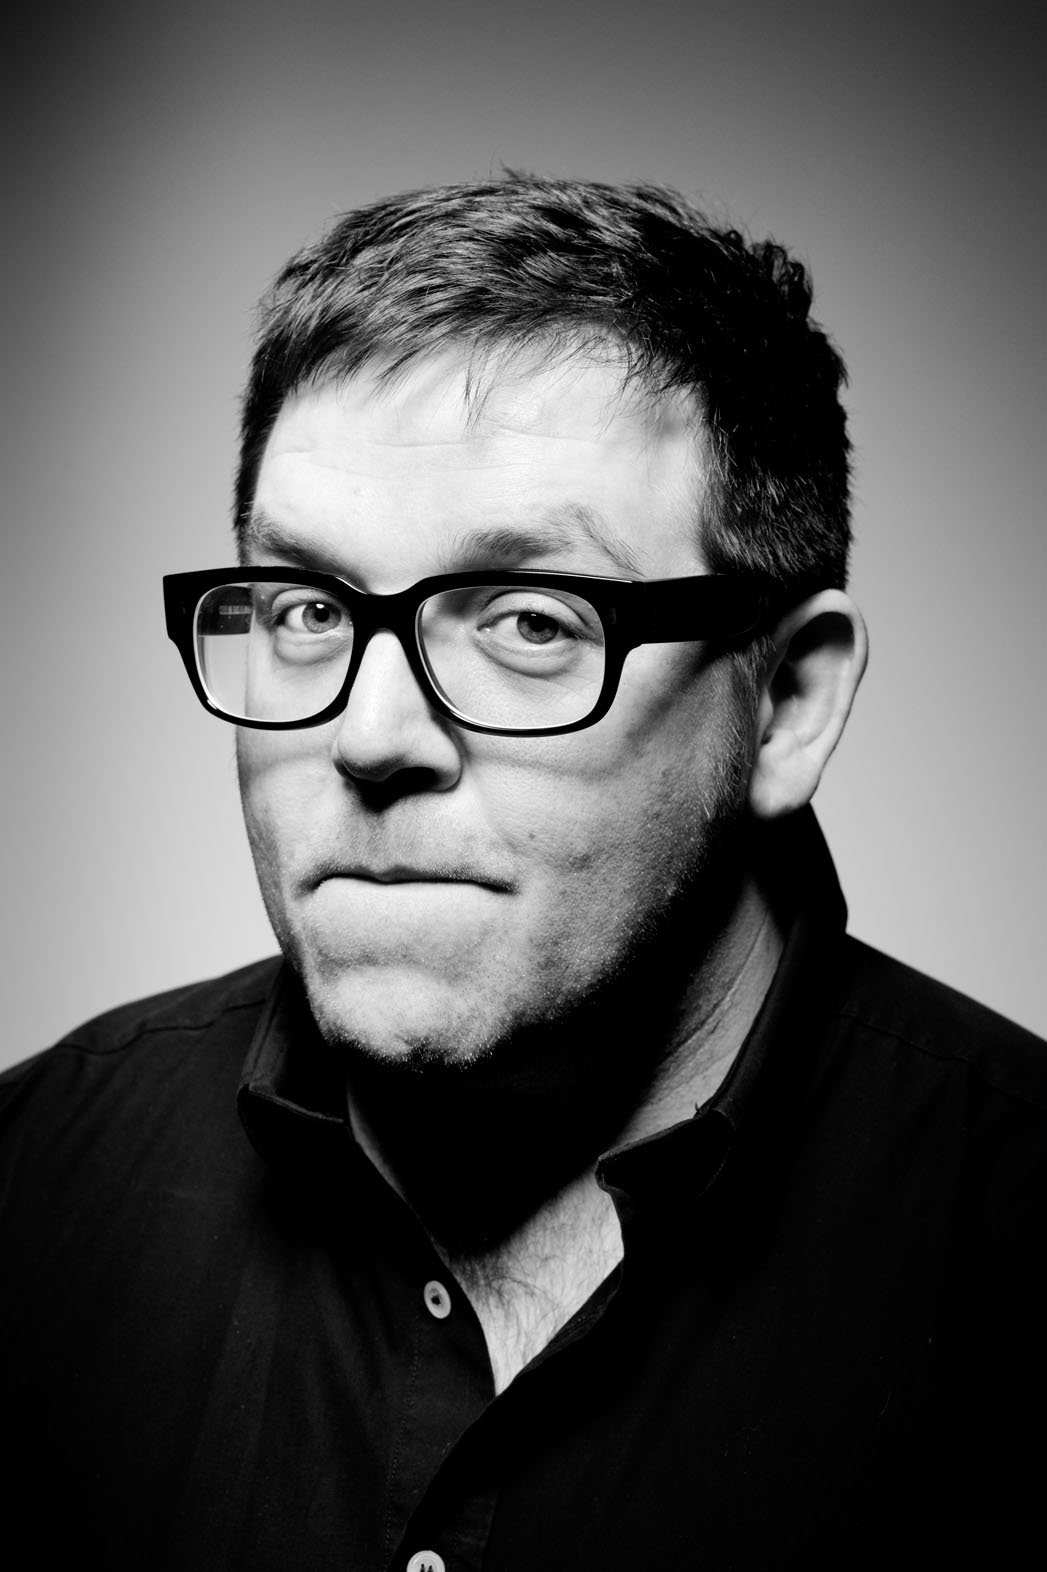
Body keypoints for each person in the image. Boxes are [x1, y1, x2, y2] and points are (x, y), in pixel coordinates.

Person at [1, 175, 1044, 1572]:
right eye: (305, 608)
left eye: (532, 622)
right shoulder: (28, 1189)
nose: (371, 737)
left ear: (788, 703)